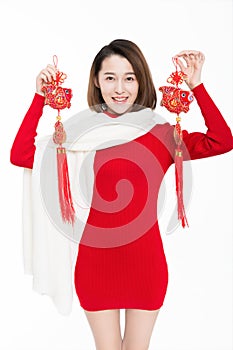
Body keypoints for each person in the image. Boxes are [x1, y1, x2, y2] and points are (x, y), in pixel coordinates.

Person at [10, 39, 232, 350]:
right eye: (110, 77)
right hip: (96, 263)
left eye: (129, 77)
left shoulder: (162, 134)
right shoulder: (77, 136)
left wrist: (197, 85)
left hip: (146, 262)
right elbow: (21, 154)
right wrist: (38, 98)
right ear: (97, 83)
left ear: (141, 81)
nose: (120, 88)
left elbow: (222, 140)